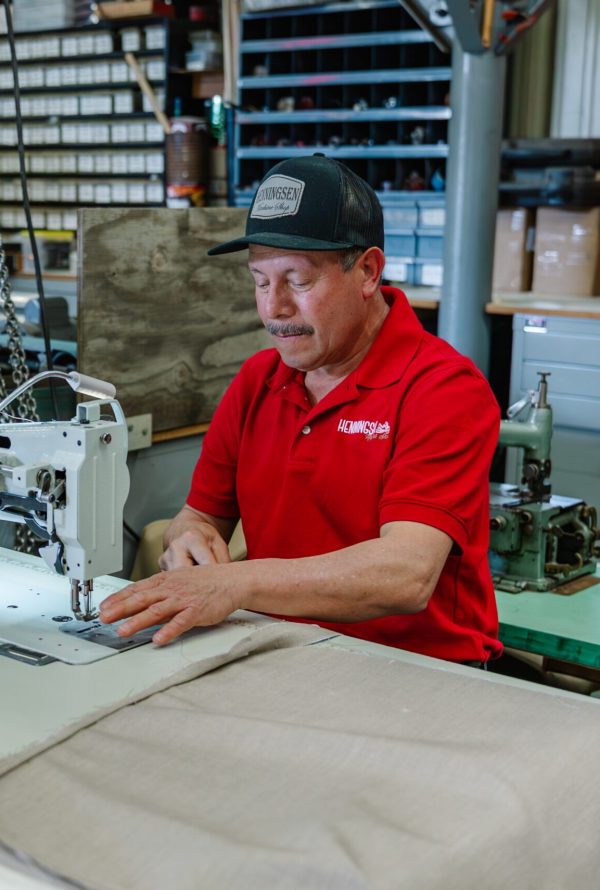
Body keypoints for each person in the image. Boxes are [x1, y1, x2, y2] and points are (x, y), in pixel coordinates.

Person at [101, 153, 502, 665]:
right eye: (261, 281)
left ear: (368, 272)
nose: (274, 308)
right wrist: (189, 542)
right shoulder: (257, 382)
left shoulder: (443, 389)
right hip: (281, 653)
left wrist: (230, 583)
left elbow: (405, 574)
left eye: (299, 280)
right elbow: (199, 514)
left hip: (416, 671)